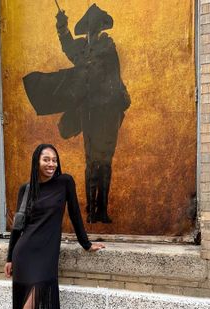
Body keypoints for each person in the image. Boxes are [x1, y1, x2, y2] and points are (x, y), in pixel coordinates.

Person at [4, 143, 105, 309]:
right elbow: (18, 226)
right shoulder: (26, 190)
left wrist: (86, 244)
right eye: (46, 160)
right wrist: (9, 257)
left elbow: (75, 214)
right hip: (24, 254)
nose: (51, 164)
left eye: (54, 160)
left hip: (46, 257)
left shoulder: (65, 183)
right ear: (36, 162)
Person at [23, 4, 131, 224]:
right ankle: (91, 211)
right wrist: (62, 28)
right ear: (87, 27)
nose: (94, 27)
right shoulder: (82, 47)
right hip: (89, 111)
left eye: (97, 23)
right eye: (91, 23)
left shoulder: (107, 46)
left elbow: (104, 72)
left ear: (101, 25)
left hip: (109, 110)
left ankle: (102, 210)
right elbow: (70, 48)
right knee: (92, 160)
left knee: (106, 160)